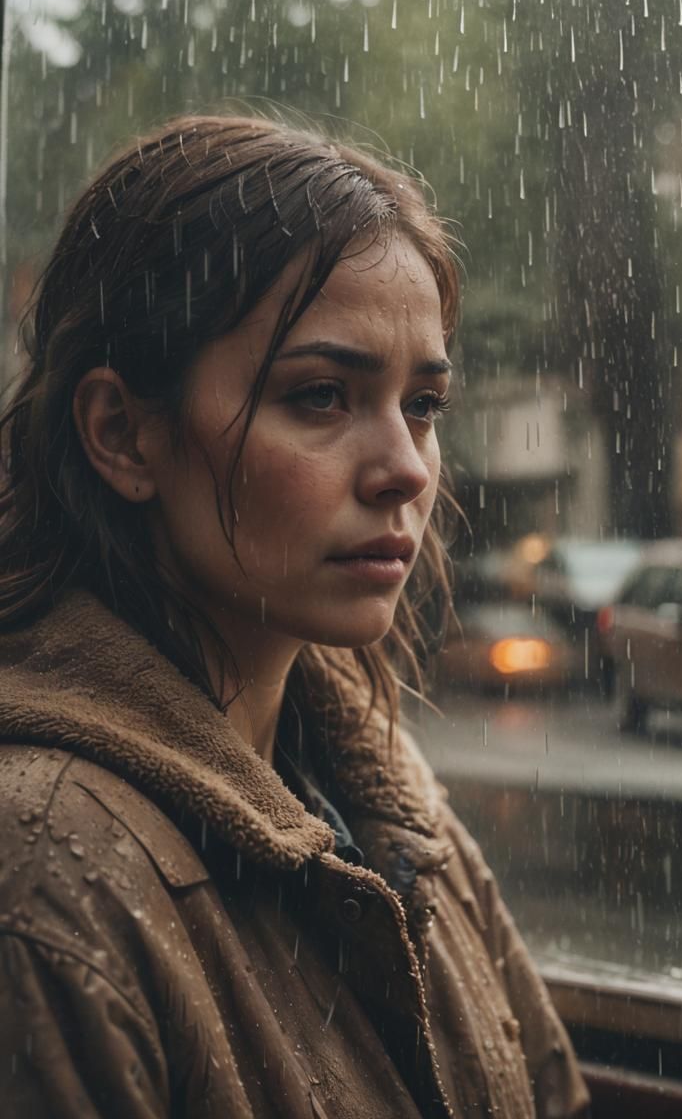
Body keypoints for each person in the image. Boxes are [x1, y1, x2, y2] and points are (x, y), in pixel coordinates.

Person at [0, 113, 589, 1118]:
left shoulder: (385, 797)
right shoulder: (43, 874)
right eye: (320, 396)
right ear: (121, 435)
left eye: (423, 405)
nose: (405, 469)